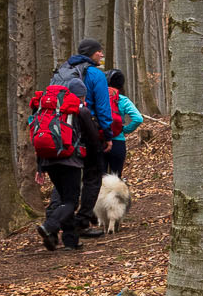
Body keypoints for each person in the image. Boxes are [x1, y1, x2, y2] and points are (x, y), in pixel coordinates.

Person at [51, 39, 113, 233]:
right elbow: (103, 108)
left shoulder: (63, 71)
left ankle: (54, 216)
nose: (102, 55)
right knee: (93, 174)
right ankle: (82, 221)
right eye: (99, 52)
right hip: (86, 127)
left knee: (66, 174)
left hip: (61, 129)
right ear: (91, 53)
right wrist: (107, 134)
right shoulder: (95, 74)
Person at [34, 83, 104, 251]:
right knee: (70, 202)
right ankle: (49, 226)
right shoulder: (80, 110)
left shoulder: (46, 110)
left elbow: (40, 134)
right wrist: (96, 159)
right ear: (81, 95)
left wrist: (40, 166)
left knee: (64, 199)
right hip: (70, 160)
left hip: (49, 160)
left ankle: (71, 241)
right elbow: (93, 138)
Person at [103, 69, 145, 177]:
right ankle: (116, 195)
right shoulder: (123, 100)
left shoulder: (99, 98)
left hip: (100, 141)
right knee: (115, 178)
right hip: (118, 142)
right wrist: (125, 129)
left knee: (98, 180)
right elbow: (138, 118)